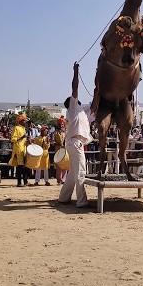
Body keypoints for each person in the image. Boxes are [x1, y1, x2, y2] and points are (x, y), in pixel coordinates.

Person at [58, 62, 95, 208]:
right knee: (80, 171)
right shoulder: (73, 108)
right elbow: (75, 88)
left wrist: (97, 91)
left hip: (74, 142)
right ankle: (81, 201)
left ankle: (63, 197)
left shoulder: (81, 113)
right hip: (75, 142)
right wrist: (75, 72)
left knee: (73, 173)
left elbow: (94, 107)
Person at [9, 114, 29, 186]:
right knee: (20, 167)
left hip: (24, 149)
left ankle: (25, 181)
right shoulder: (16, 128)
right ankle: (19, 182)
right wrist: (21, 137)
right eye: (24, 121)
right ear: (20, 121)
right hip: (18, 149)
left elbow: (24, 139)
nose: (25, 122)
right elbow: (13, 139)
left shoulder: (24, 128)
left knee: (25, 166)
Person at [54, 117, 68, 185]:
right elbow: (55, 140)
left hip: (65, 149)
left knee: (65, 163)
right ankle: (59, 179)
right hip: (58, 149)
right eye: (60, 124)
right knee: (59, 164)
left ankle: (64, 179)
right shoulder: (56, 132)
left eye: (62, 124)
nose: (61, 125)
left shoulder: (66, 132)